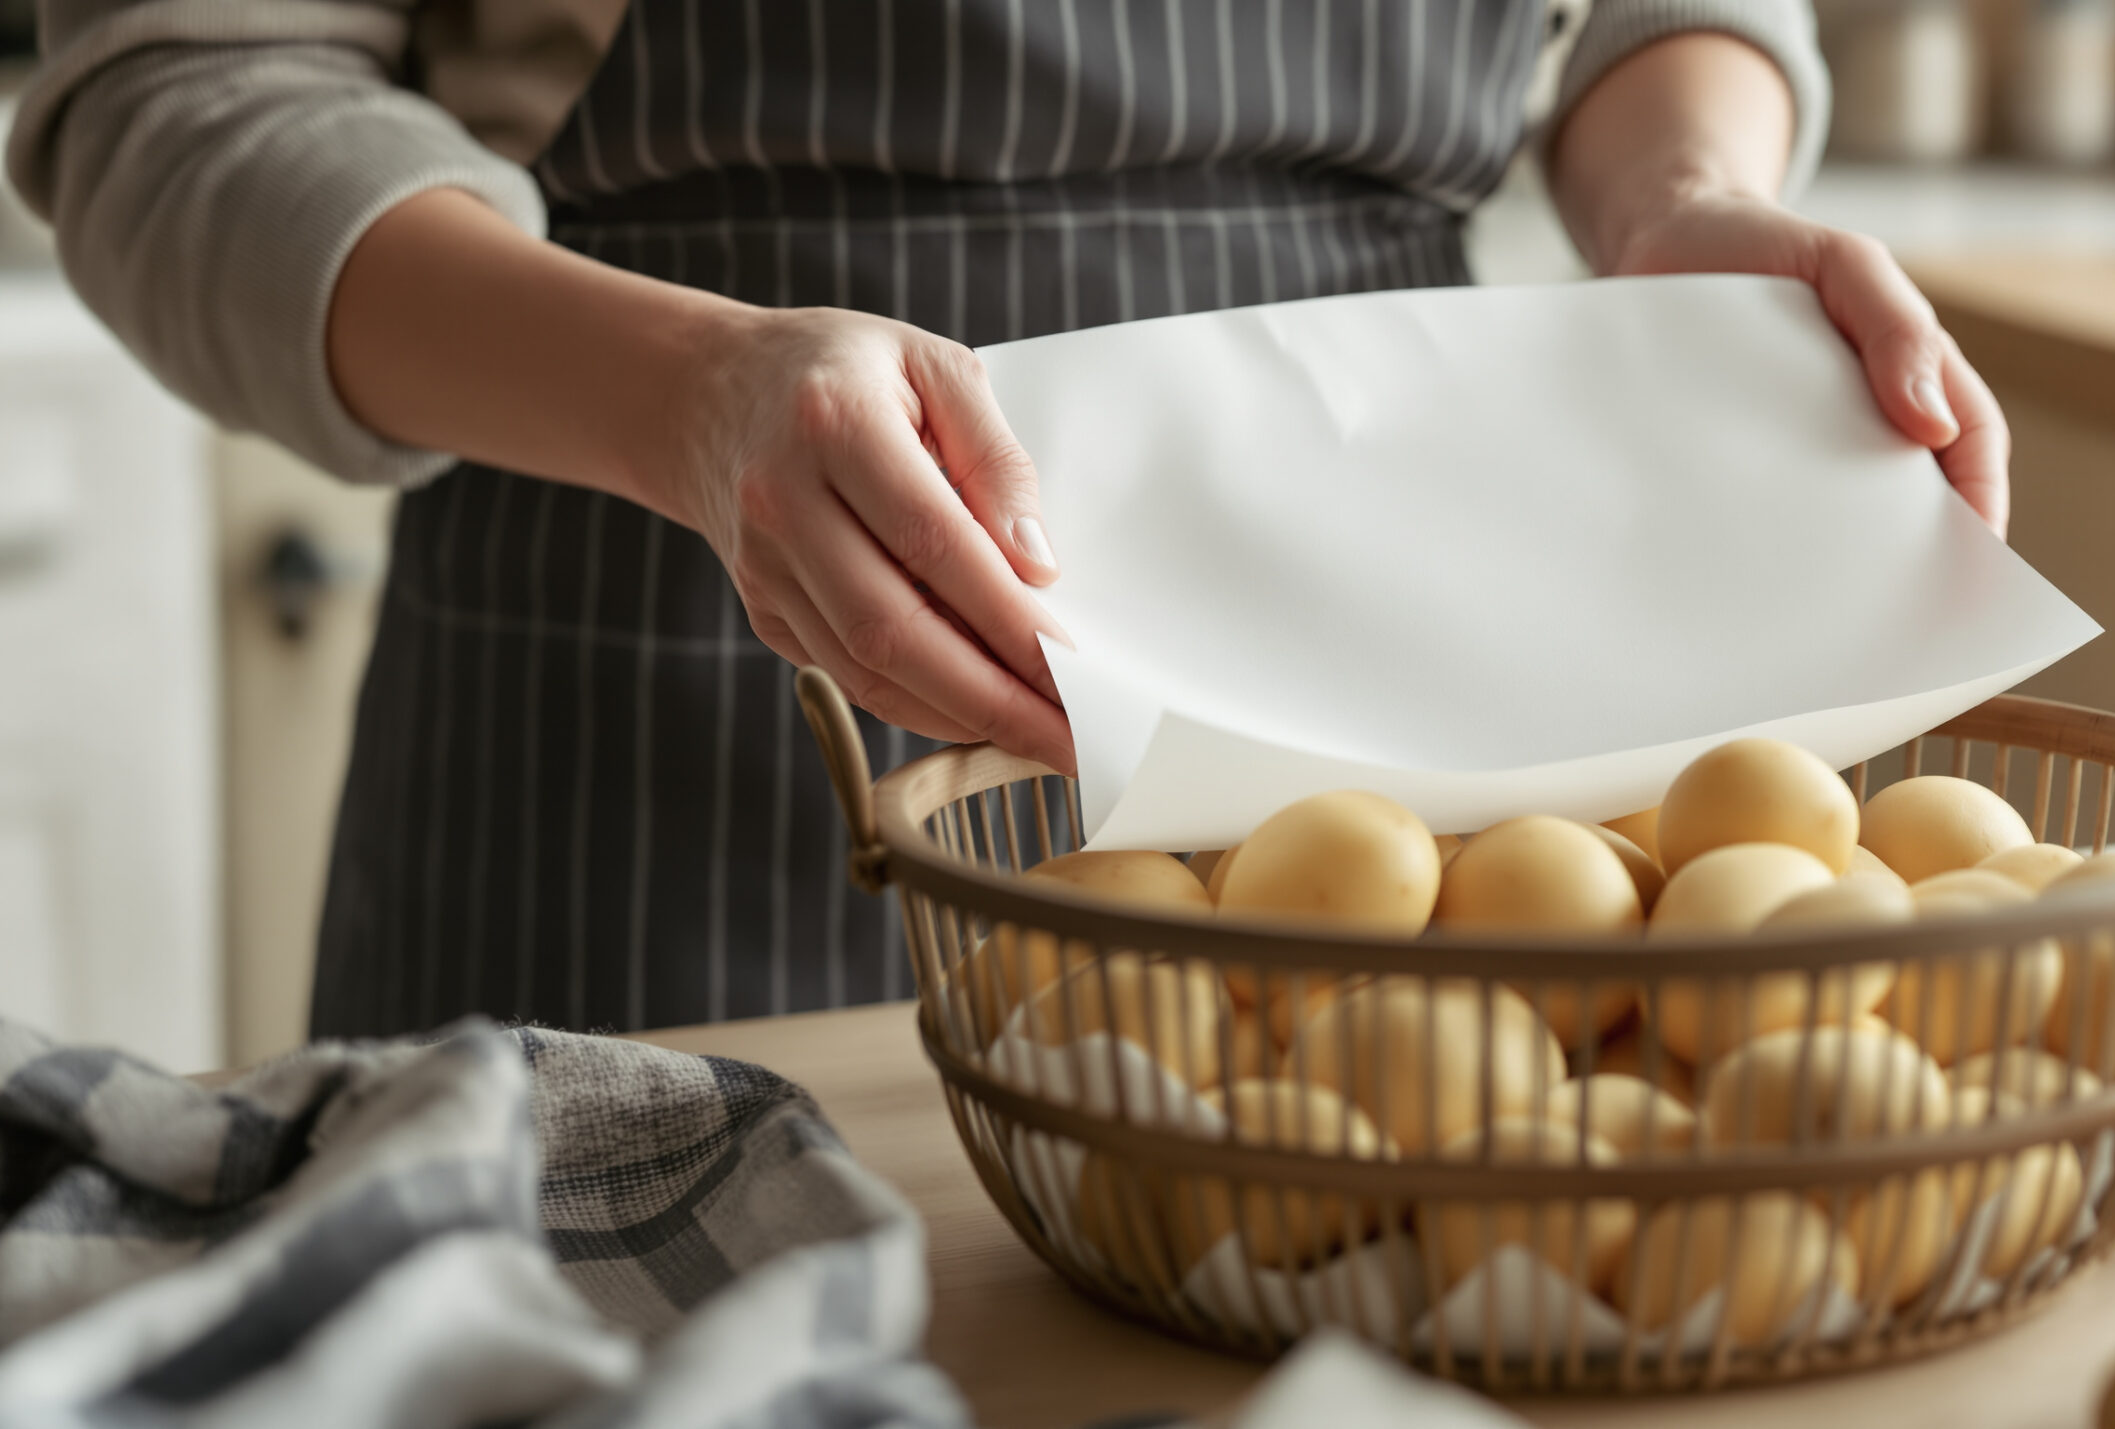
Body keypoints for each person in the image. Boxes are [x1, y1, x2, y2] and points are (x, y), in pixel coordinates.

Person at [9, 0, 2007, 1040]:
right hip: (656, 712)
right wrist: (679, 396)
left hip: (1399, 652)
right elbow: (184, 86)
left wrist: (1678, 200)